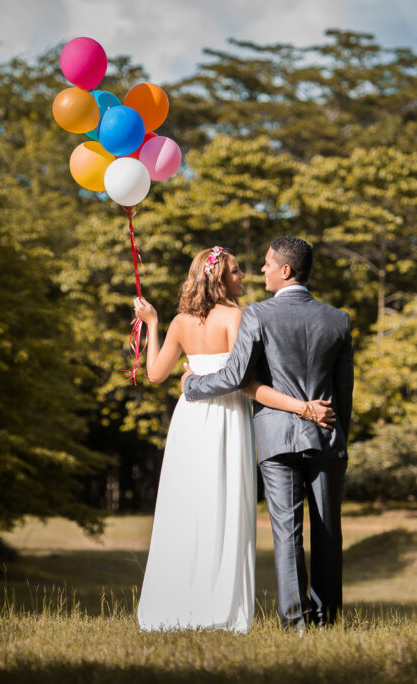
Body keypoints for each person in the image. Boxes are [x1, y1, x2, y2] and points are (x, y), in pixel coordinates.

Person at [133, 245, 335, 633]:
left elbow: (156, 374)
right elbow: (248, 385)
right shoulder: (238, 317)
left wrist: (153, 323)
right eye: (238, 272)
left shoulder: (178, 322)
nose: (246, 276)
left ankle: (175, 604)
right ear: (221, 279)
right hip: (227, 420)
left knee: (187, 507)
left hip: (189, 420)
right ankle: (218, 608)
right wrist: (303, 407)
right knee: (225, 504)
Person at [182, 236, 353, 630]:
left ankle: (295, 623)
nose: (262, 270)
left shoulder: (258, 315)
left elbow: (235, 377)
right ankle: (328, 622)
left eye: (266, 264)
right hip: (326, 438)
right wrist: (339, 436)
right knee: (328, 534)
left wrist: (192, 384)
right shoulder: (338, 319)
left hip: (276, 441)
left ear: (286, 271)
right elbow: (344, 393)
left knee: (287, 534)